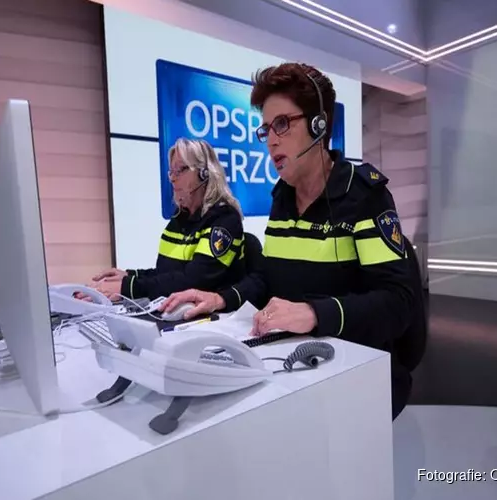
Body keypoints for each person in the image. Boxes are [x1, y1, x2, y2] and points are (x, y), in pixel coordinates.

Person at [160, 63, 427, 419]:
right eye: (266, 129)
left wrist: (314, 313)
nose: (271, 140)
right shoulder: (282, 198)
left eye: (283, 124)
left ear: (319, 125)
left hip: (356, 370)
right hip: (294, 363)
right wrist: (220, 297)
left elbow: (398, 302)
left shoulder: (363, 195)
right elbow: (267, 278)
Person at [91, 138, 246, 300]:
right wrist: (129, 275)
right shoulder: (180, 218)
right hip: (178, 310)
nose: (172, 178)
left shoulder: (225, 220)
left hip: (218, 314)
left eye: (180, 170)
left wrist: (127, 287)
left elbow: (194, 281)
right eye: (171, 171)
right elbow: (167, 275)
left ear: (204, 174)